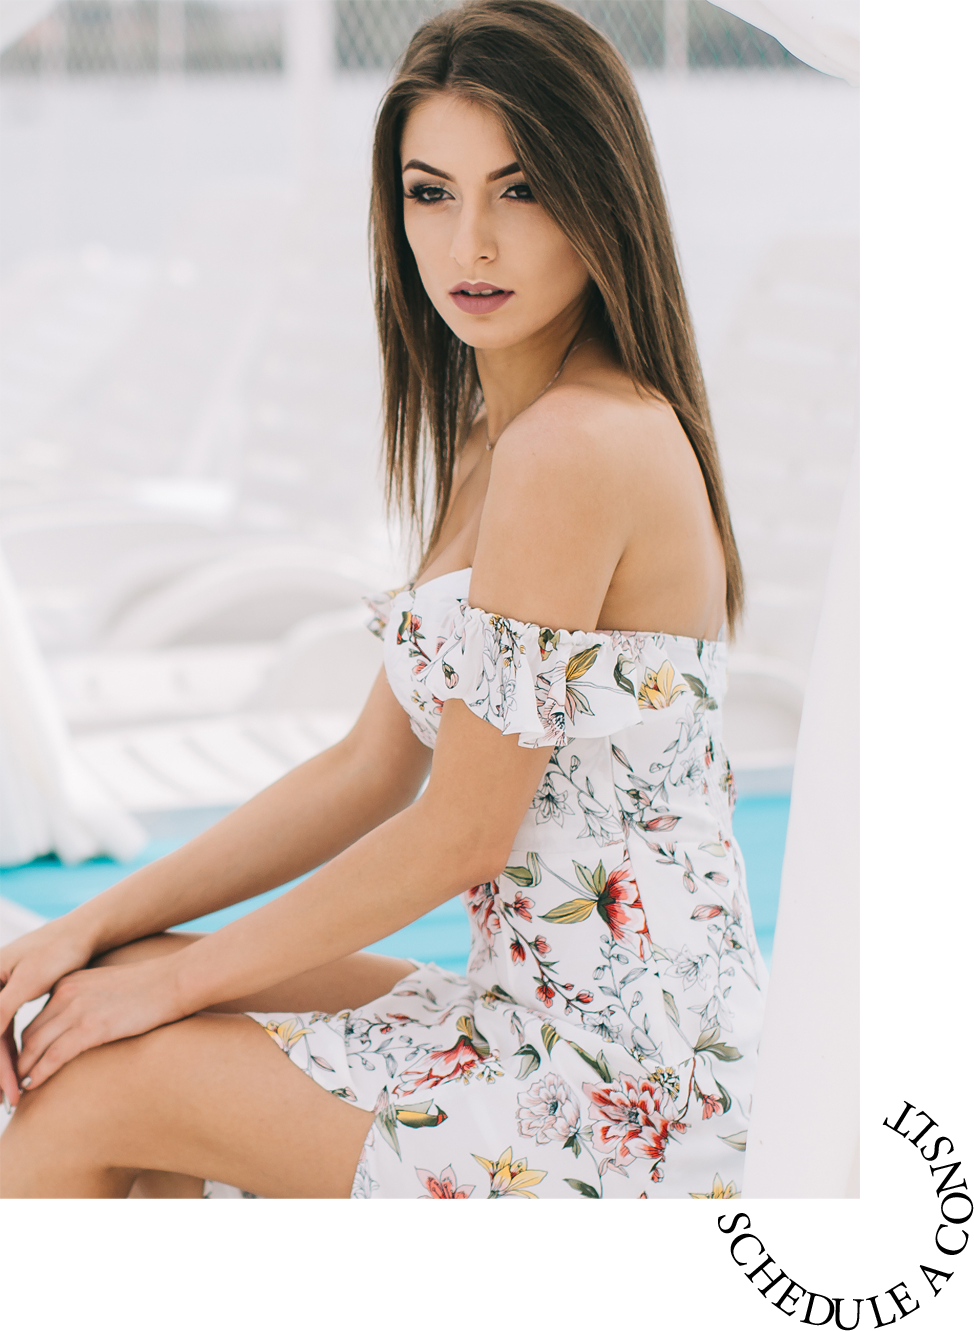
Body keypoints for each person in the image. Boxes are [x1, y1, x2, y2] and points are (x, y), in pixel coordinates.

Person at [0, 0, 765, 1199]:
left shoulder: (577, 446)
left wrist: (169, 985)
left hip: (623, 1087)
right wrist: (91, 931)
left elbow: (458, 829)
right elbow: (370, 769)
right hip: (529, 1008)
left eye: (519, 190)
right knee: (119, 995)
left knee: (99, 1078)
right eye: (429, 192)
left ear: (597, 194)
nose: (470, 243)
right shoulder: (493, 439)